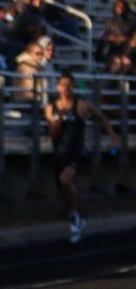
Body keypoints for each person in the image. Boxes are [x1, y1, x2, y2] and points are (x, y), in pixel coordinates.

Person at [44, 72, 119, 243]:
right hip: (59, 154)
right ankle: (75, 214)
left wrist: (113, 136)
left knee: (65, 180)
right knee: (63, 188)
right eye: (62, 85)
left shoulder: (82, 106)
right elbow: (53, 135)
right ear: (57, 87)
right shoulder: (50, 108)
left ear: (74, 87)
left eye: (69, 85)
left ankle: (76, 214)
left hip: (76, 152)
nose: (65, 88)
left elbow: (101, 117)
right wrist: (60, 120)